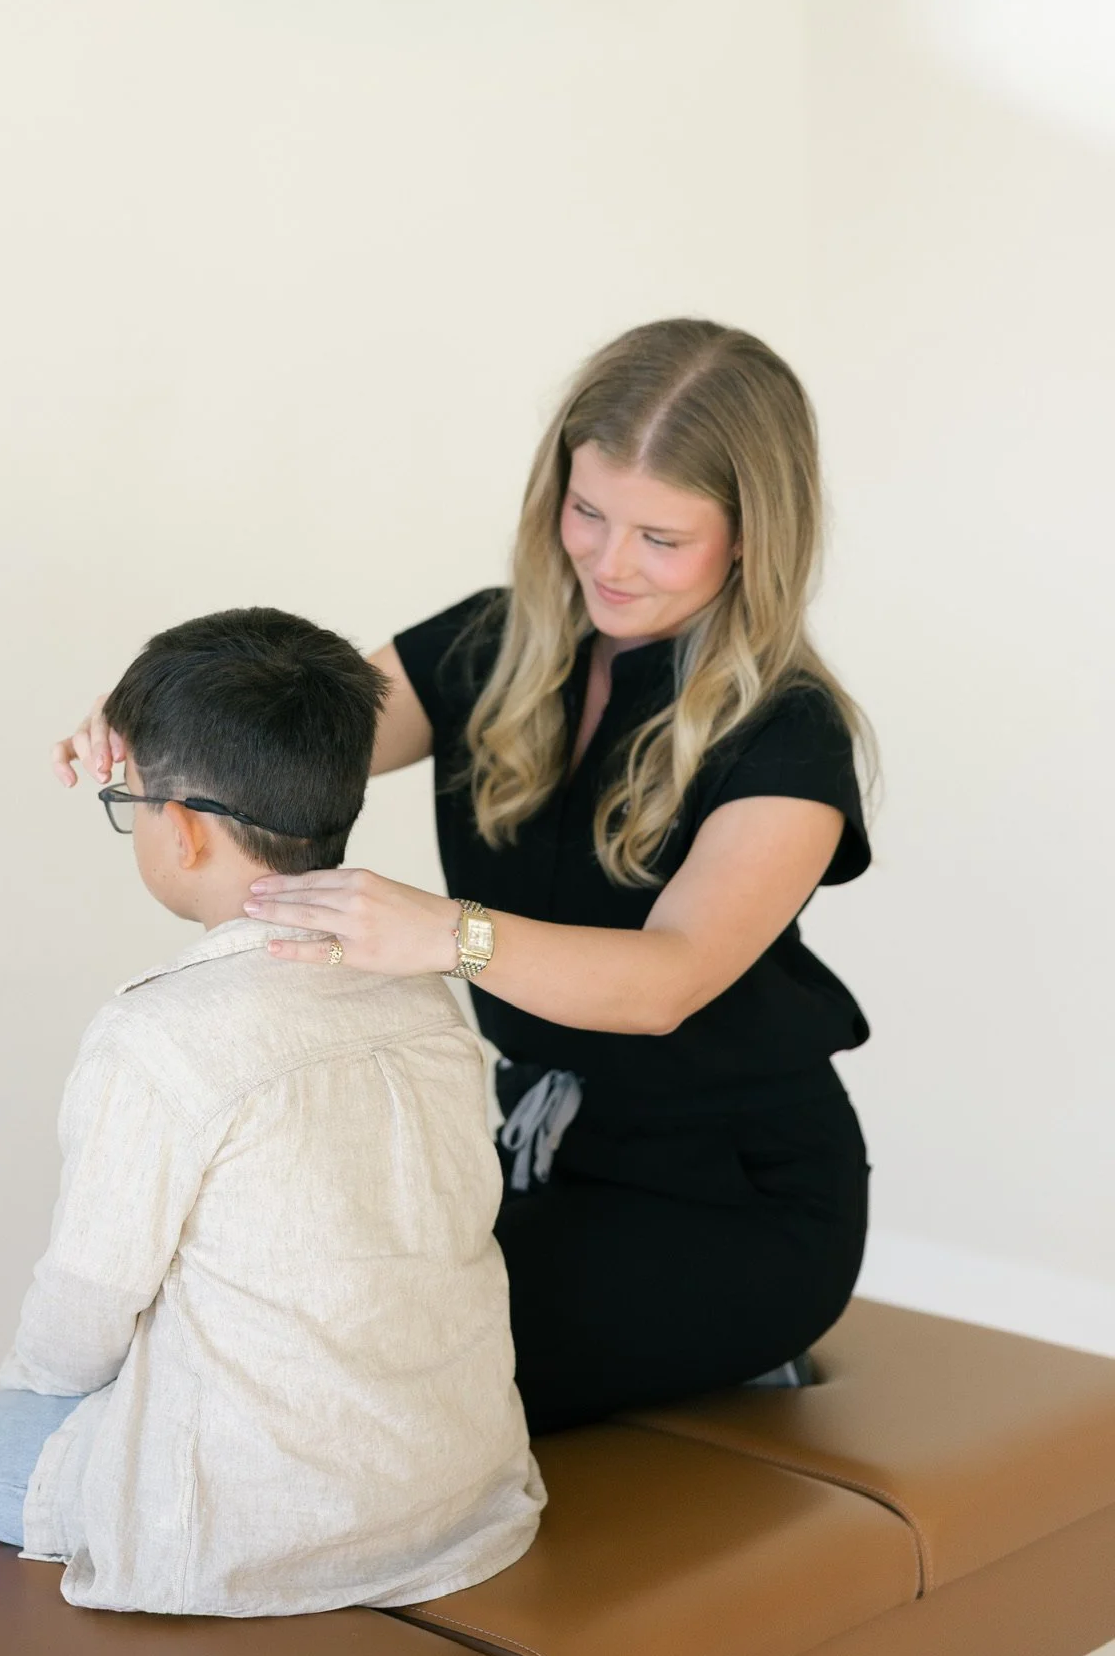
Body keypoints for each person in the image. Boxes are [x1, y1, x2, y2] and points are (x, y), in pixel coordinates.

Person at [57, 319, 876, 1435]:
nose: (609, 560)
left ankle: (731, 1361)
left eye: (661, 536)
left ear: (750, 539)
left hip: (733, 1200)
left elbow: (666, 980)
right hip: (534, 1159)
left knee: (375, 1386)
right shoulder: (496, 643)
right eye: (586, 511)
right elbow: (295, 735)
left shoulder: (792, 734)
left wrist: (448, 934)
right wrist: (152, 729)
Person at [0, 607, 543, 1615]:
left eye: (134, 800)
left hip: (257, 1526)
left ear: (188, 831)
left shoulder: (160, 1036)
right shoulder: (423, 988)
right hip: (454, 1496)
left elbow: (83, 1310)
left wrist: (41, 1393)